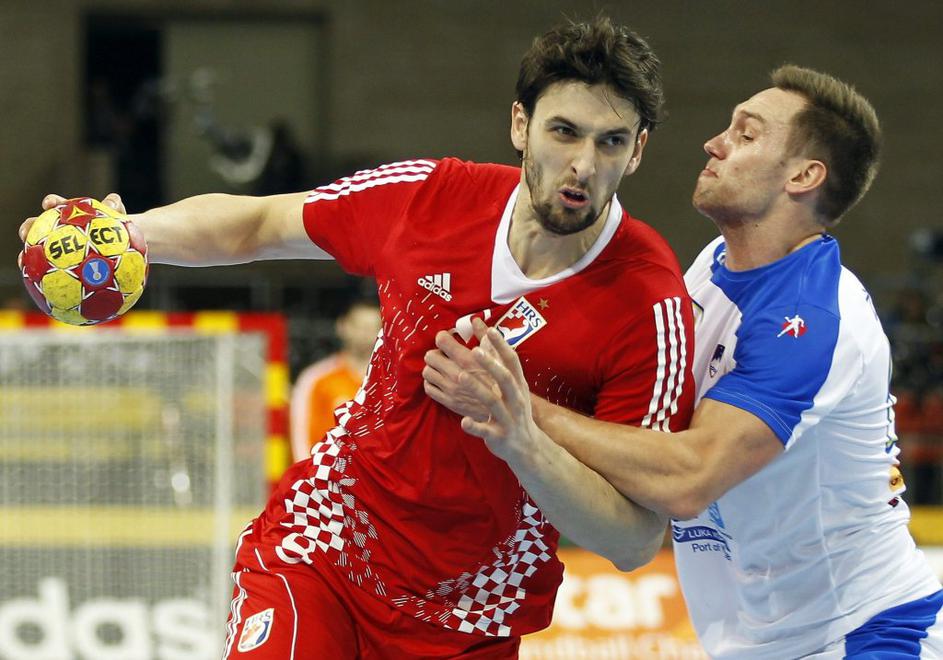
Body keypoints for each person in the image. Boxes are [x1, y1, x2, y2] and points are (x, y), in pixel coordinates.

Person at [19, 17, 695, 659]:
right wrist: (129, 233)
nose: (582, 164)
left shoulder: (650, 304)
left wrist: (521, 437)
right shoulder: (429, 197)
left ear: (637, 150)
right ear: (520, 125)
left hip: (468, 617)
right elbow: (259, 224)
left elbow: (634, 540)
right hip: (324, 550)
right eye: (564, 132)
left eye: (610, 142)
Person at [424, 65, 943, 658]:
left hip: (864, 635)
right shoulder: (711, 266)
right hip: (755, 643)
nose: (714, 143)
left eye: (746, 135)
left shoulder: (811, 317)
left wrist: (519, 407)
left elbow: (690, 478)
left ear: (803, 176)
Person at [290, 298, 382, 462]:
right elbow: (300, 433)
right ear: (342, 326)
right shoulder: (315, 378)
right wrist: (310, 473)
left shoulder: (391, 382)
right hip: (325, 473)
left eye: (372, 327)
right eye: (359, 326)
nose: (365, 334)